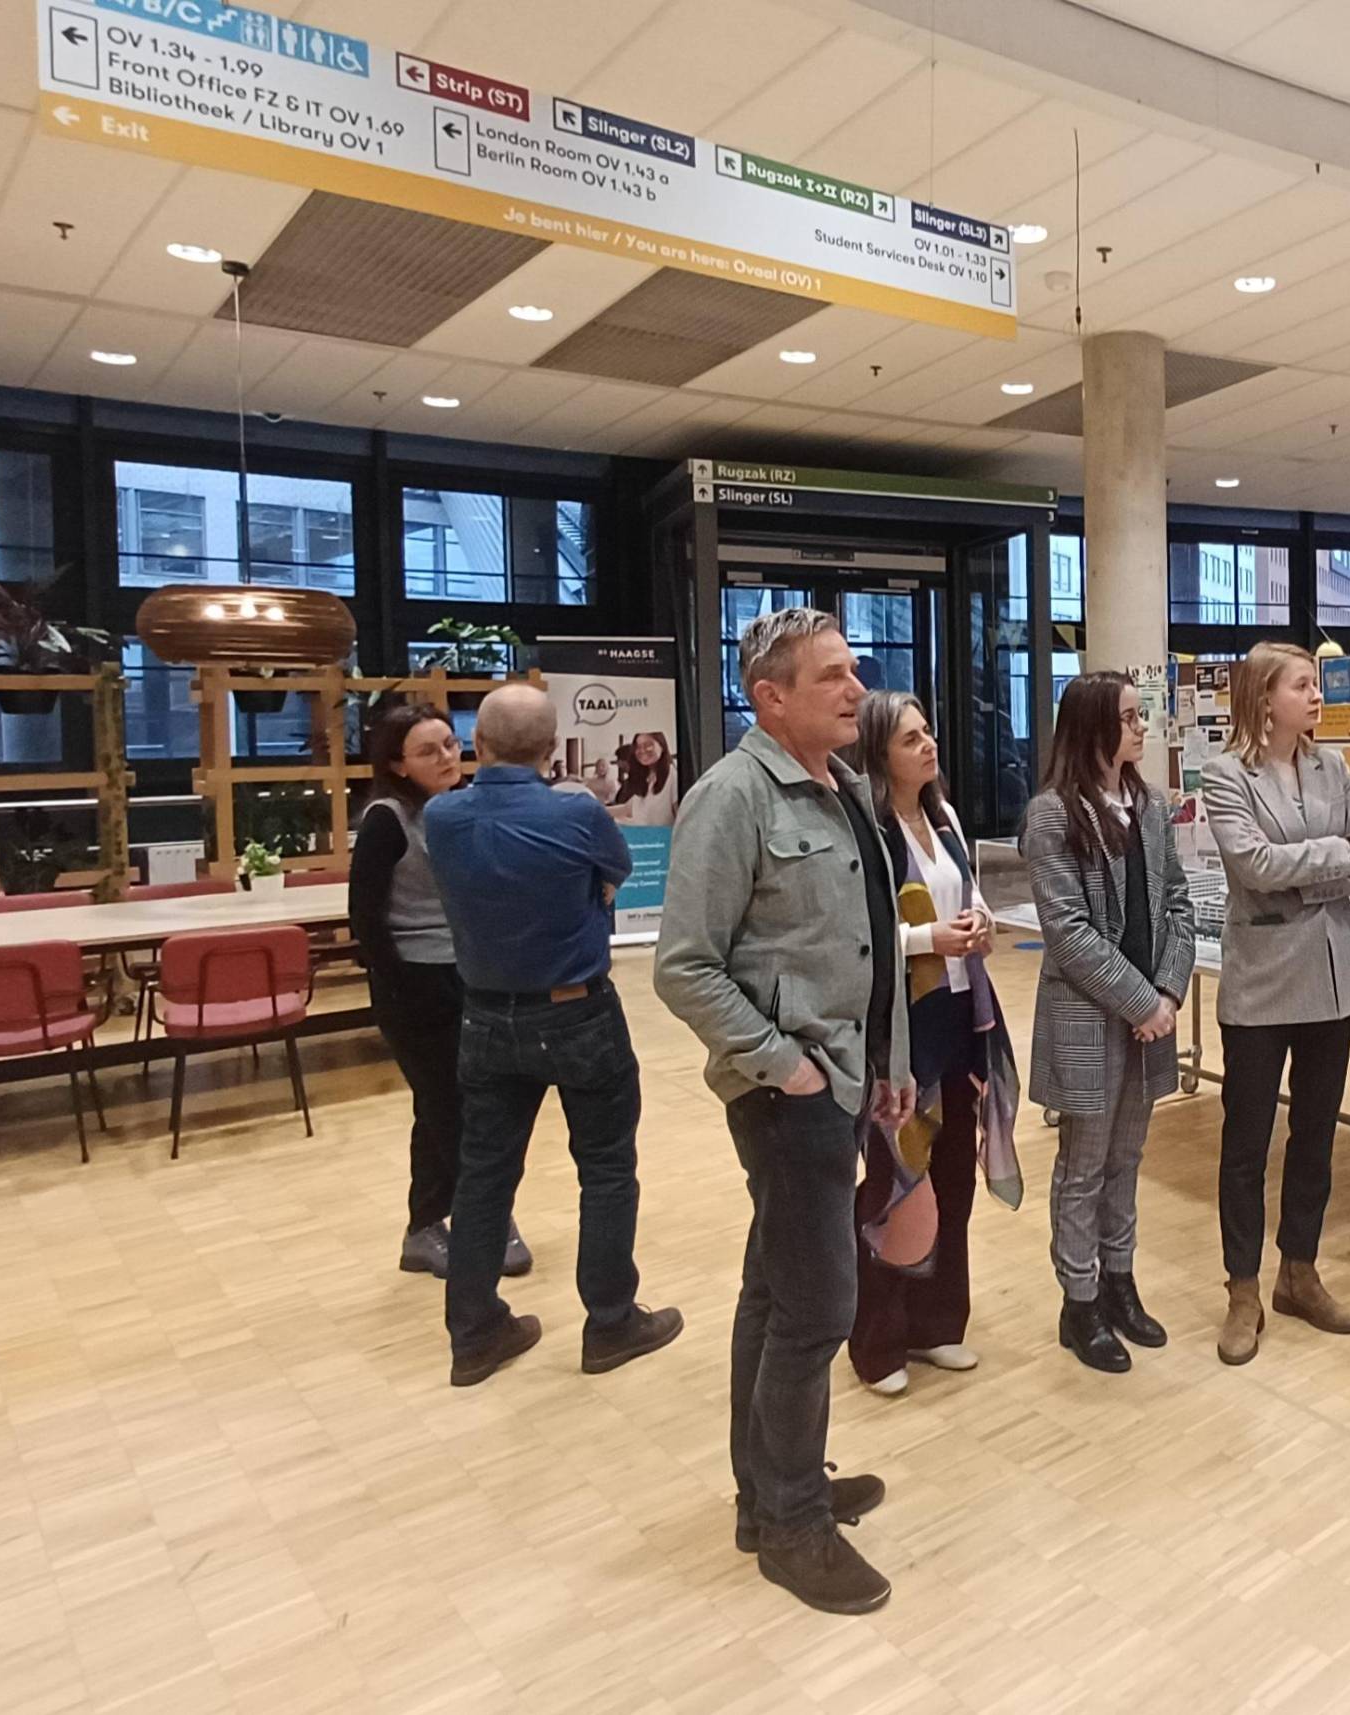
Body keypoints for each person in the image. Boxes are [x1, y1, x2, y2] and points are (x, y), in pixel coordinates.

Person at [657, 608, 913, 1616]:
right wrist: (784, 1064)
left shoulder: (840, 785)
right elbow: (683, 965)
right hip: (787, 1091)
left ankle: (767, 1493)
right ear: (769, 697)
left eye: (854, 670)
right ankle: (793, 1522)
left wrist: (881, 1060)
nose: (857, 688)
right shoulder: (732, 798)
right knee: (817, 1309)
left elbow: (870, 937)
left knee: (774, 1290)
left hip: (844, 1075)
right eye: (831, 676)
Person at [426, 685, 681, 1390]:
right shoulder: (575, 810)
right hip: (576, 1010)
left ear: (477, 744)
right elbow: (618, 872)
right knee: (604, 1168)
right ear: (550, 747)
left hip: (483, 1014)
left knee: (483, 1177)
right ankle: (610, 1322)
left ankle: (474, 1334)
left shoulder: (442, 816)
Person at [1199, 642, 1350, 1365]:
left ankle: (1298, 1272)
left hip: (1331, 980)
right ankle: (1242, 1287)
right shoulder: (1226, 775)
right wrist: (1331, 858)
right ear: (1263, 696)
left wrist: (1312, 864)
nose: (1317, 695)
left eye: (1315, 683)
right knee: (1246, 1143)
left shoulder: (1331, 767)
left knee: (1315, 1134)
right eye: (1302, 684)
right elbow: (1251, 866)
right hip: (1261, 982)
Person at [846, 689, 1023, 1399]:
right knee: (897, 1178)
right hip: (902, 1026)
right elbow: (856, 934)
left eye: (929, 731)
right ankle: (878, 1336)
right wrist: (927, 937)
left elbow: (966, 895)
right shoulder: (868, 828)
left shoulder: (942, 816)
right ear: (879, 751)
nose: (929, 744)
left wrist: (977, 923)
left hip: (961, 1016)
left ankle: (938, 1320)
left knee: (952, 1174)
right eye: (912, 737)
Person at [1022, 671, 1196, 1374]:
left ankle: (1120, 1282)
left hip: (1148, 1016)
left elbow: (1178, 905)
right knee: (1083, 1166)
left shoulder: (1150, 807)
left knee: (1128, 1159)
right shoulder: (1052, 815)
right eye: (1128, 716)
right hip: (1091, 1017)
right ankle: (1080, 1300)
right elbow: (1067, 933)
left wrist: (1170, 992)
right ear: (1093, 725)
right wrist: (1141, 1001)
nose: (1141, 727)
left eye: (1140, 715)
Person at [349, 701, 529, 1281]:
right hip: (416, 986)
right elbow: (366, 920)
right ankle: (426, 1226)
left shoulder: (463, 806)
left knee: (489, 1104)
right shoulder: (386, 818)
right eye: (429, 751)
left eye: (451, 744)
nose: (448, 757)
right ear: (398, 765)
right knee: (443, 1108)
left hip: (471, 975)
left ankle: (489, 1214)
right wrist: (401, 988)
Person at [612, 732, 677, 826]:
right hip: (641, 838)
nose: (642, 750)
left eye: (648, 745)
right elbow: (626, 809)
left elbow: (683, 820)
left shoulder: (673, 776)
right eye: (638, 747)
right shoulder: (644, 779)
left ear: (662, 746)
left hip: (663, 839)